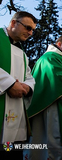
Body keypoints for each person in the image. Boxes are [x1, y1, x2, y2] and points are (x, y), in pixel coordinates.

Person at [0, 11, 37, 159]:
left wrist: (28, 87)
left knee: (10, 151)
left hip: (15, 112)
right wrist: (9, 84)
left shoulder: (22, 52)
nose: (30, 33)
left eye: (33, 30)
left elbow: (29, 76)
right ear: (13, 23)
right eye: (28, 28)